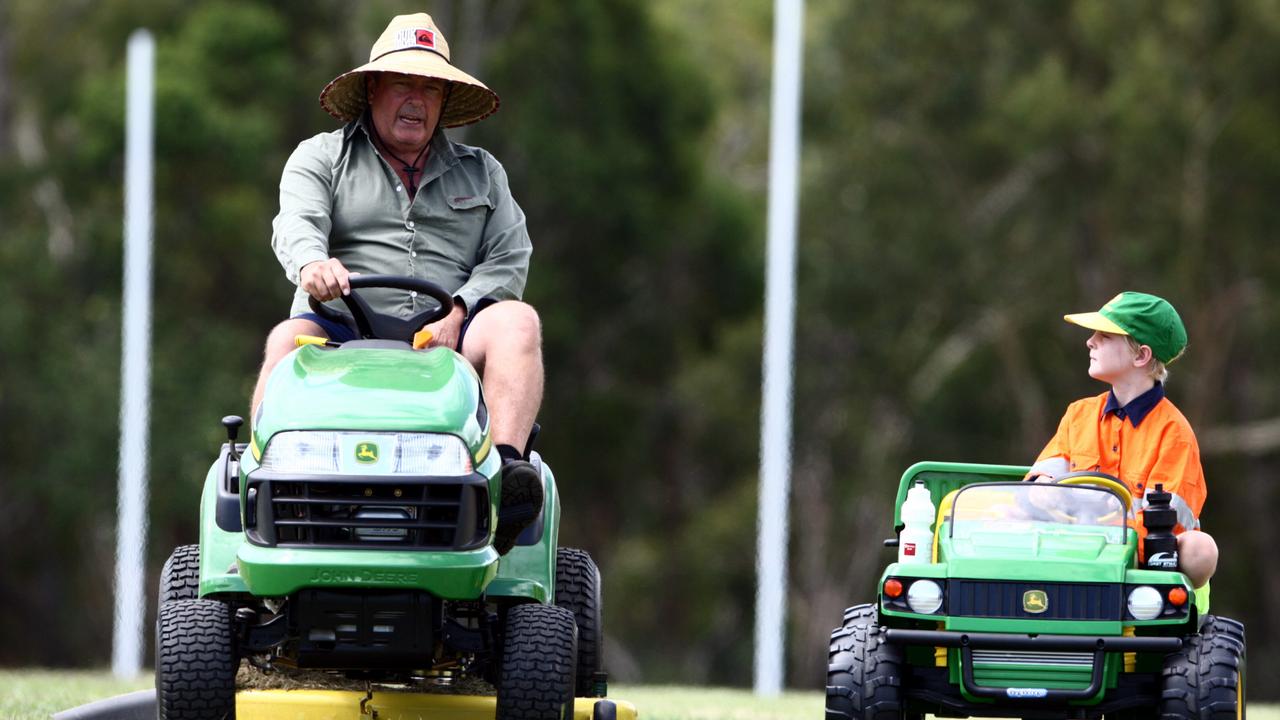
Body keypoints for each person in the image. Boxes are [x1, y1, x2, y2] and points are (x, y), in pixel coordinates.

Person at [252, 12, 542, 554]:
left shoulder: (483, 172)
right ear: (372, 90)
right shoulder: (321, 158)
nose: (417, 99)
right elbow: (296, 226)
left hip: (452, 334)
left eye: (431, 88)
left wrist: (459, 310)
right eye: (404, 83)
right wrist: (315, 265)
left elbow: (510, 256)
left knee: (518, 321)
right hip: (340, 323)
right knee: (283, 342)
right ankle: (263, 492)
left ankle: (508, 474)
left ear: (444, 102)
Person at [1026, 292, 1218, 587]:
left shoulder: (1174, 433)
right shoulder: (1079, 415)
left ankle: (1168, 619)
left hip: (1139, 569)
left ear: (1141, 355)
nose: (1090, 342)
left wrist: (1101, 541)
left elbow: (1169, 528)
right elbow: (1037, 492)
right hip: (1069, 550)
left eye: (1104, 335)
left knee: (1199, 549)